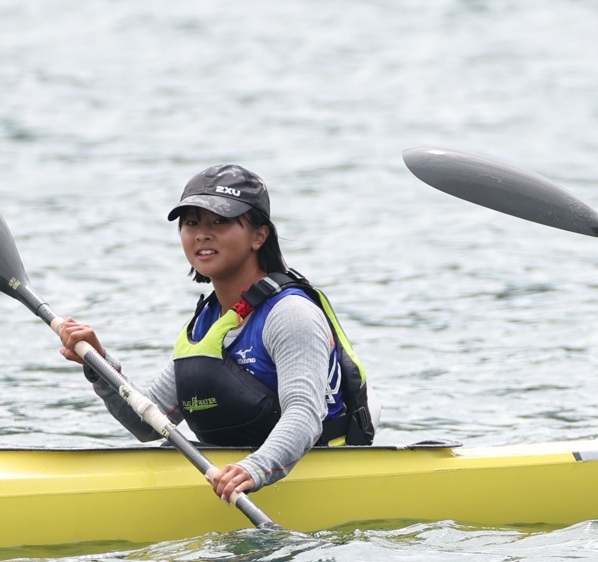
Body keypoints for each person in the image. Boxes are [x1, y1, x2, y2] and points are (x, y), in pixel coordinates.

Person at [54, 164, 376, 501]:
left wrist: (255, 468)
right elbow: (148, 424)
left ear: (259, 236)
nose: (202, 235)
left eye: (220, 221)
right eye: (191, 223)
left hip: (321, 472)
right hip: (234, 478)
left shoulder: (290, 314)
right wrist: (100, 365)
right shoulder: (205, 323)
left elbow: (304, 414)